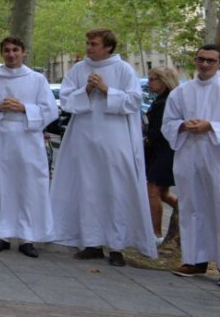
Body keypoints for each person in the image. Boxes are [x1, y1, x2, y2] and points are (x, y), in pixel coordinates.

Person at [48, 29, 157, 266]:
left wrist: (106, 90)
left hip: (114, 139)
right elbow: (66, 101)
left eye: (94, 44)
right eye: (87, 43)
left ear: (108, 47)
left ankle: (117, 246)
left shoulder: (124, 70)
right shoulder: (78, 70)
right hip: (84, 139)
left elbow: (134, 101)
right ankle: (92, 242)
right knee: (88, 189)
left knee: (114, 190)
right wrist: (86, 89)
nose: (89, 47)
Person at [0, 37, 59, 257]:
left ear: (24, 52)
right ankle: (1, 234)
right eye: (6, 50)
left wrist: (24, 108)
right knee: (1, 185)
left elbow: (50, 111)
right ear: (2, 53)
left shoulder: (37, 80)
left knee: (29, 186)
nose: (11, 54)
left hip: (28, 139)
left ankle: (27, 237)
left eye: (15, 50)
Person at [163, 45, 220, 279]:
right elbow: (168, 122)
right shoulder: (182, 92)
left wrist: (211, 126)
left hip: (215, 155)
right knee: (191, 206)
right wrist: (183, 125)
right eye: (201, 59)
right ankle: (195, 260)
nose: (205, 64)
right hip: (188, 153)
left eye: (210, 61)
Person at [144, 66, 180, 244]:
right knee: (162, 192)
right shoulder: (162, 100)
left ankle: (155, 233)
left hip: (163, 151)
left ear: (164, 81)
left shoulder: (164, 102)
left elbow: (159, 130)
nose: (149, 83)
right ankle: (184, 211)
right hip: (162, 151)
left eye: (152, 79)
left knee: (153, 190)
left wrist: (147, 139)